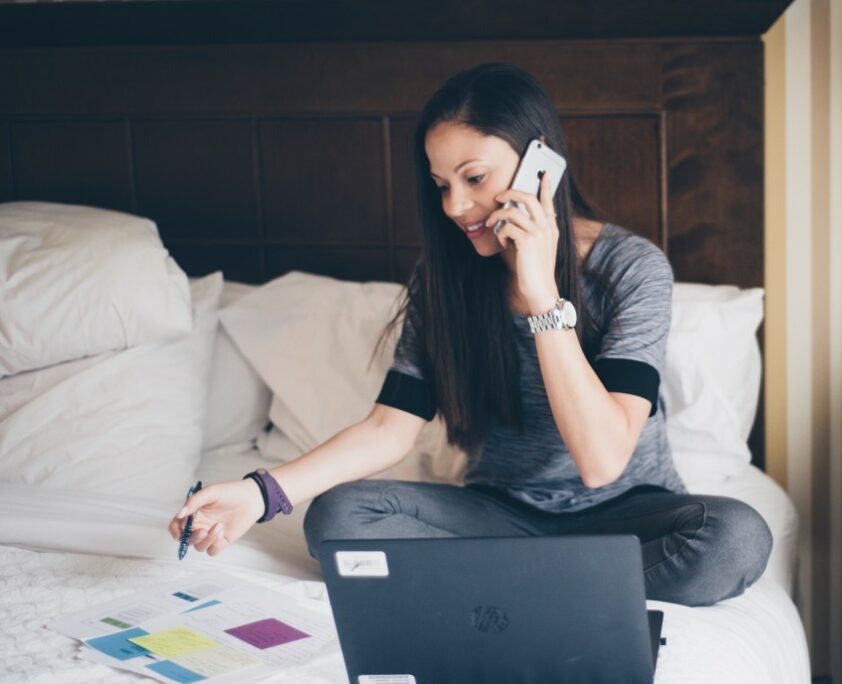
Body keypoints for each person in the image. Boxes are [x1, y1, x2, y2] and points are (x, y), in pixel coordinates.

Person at [168, 63, 772, 607]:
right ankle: (572, 582)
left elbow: (601, 460)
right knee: (338, 517)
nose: (456, 206)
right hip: (499, 513)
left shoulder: (632, 268)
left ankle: (494, 582)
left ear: (541, 163)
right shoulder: (445, 280)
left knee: (734, 539)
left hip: (633, 513)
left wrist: (542, 295)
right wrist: (259, 493)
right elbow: (388, 428)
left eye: (474, 177)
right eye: (440, 184)